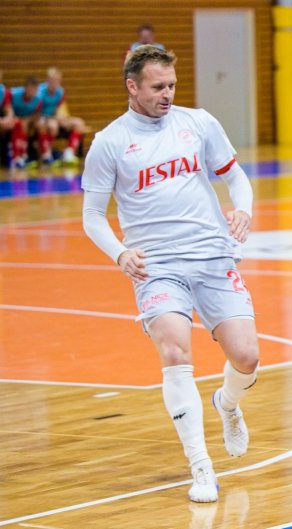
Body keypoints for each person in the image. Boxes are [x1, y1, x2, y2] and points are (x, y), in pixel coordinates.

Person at [81, 45, 259, 503]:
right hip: (156, 265)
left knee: (247, 357)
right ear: (132, 86)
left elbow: (235, 176)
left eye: (172, 85)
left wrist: (243, 210)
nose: (167, 94)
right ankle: (201, 467)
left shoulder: (197, 123)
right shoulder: (110, 142)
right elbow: (93, 216)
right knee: (175, 351)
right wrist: (120, 254)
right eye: (158, 87)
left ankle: (228, 404)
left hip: (211, 255)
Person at [38, 67, 88, 165]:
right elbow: (36, 111)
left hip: (54, 118)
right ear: (47, 81)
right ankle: (46, 155)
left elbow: (61, 108)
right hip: (42, 118)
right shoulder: (40, 92)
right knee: (51, 126)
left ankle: (68, 153)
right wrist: (50, 120)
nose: (55, 83)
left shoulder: (60, 91)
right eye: (52, 81)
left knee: (79, 123)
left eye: (57, 81)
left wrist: (63, 118)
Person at [8, 76, 43, 169]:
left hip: (27, 120)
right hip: (12, 118)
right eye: (30, 88)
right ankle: (16, 157)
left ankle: (26, 155)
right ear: (25, 87)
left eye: (34, 89)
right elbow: (7, 106)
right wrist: (12, 117)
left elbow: (37, 114)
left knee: (38, 125)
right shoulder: (14, 94)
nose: (32, 91)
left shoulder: (38, 99)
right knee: (19, 124)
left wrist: (28, 120)